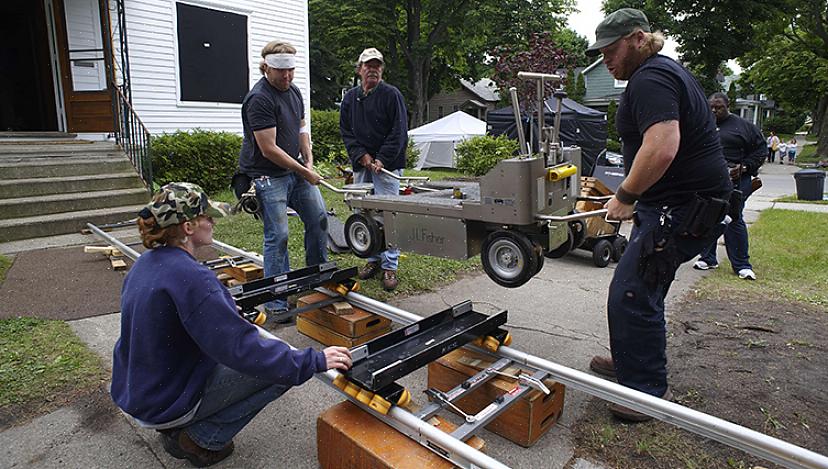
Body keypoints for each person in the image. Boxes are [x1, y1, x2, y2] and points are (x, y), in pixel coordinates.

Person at [111, 182, 352, 467]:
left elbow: (171, 315)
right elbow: (244, 351)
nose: (212, 221)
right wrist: (314, 358)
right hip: (165, 401)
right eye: (206, 216)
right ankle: (201, 438)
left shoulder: (147, 263)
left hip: (138, 392)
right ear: (188, 227)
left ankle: (177, 424)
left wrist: (219, 308)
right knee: (282, 369)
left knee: (268, 361)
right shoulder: (194, 279)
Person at [584, 8, 731, 422]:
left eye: (611, 49)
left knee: (631, 292)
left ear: (636, 38)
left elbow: (663, 145)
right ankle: (633, 360)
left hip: (683, 208)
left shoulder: (650, 78)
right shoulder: (660, 73)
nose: (606, 59)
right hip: (677, 203)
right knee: (644, 285)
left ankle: (644, 392)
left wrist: (626, 195)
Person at [237, 41, 328, 321]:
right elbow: (269, 149)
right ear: (266, 67)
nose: (286, 77)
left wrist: (308, 160)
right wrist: (304, 172)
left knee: (319, 218)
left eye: (290, 70)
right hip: (266, 174)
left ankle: (318, 279)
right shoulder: (259, 99)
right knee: (278, 236)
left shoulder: (295, 91)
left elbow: (302, 129)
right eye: (280, 71)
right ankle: (277, 301)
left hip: (294, 170)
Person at [340, 47, 409, 291]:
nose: (373, 70)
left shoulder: (392, 95)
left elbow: (399, 132)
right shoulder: (350, 98)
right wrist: (362, 156)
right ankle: (372, 259)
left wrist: (382, 159)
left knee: (389, 214)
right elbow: (347, 133)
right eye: (368, 65)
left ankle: (390, 265)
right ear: (359, 70)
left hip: (387, 166)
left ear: (382, 70)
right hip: (362, 164)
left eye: (377, 66)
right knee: (365, 212)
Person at [693, 92, 764, 280]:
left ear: (728, 105)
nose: (715, 111)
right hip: (710, 179)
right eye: (711, 108)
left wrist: (745, 166)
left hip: (737, 179)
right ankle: (708, 258)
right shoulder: (702, 124)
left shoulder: (745, 127)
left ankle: (742, 265)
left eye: (719, 107)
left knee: (733, 217)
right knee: (707, 216)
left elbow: (761, 150)